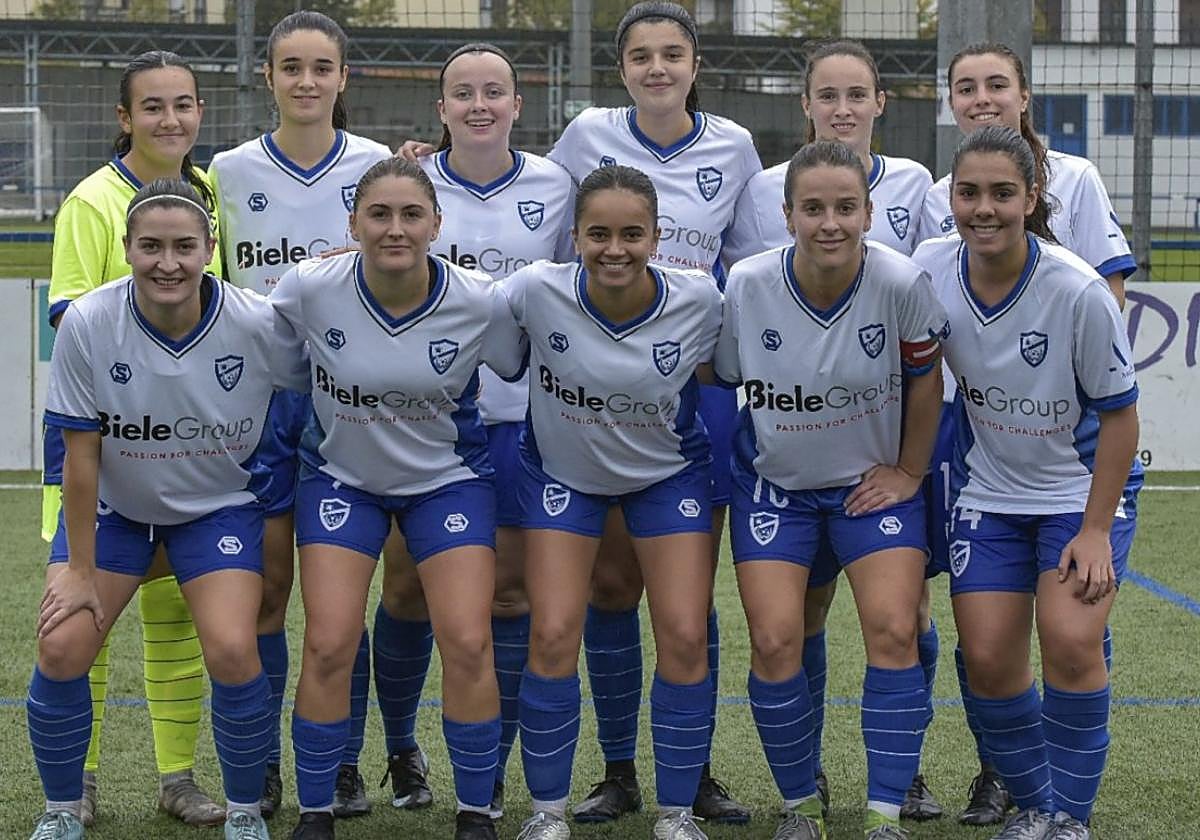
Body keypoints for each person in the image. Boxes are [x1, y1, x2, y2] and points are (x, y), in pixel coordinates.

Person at [30, 177, 306, 840]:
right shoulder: (89, 321)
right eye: (150, 246)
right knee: (61, 646)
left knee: (234, 648)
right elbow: (80, 455)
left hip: (216, 510)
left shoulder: (258, 322)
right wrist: (78, 570)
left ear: (210, 248)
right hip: (117, 513)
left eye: (184, 246)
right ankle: (63, 811)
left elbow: (317, 389)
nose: (168, 263)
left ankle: (245, 812)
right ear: (127, 249)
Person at [545, 2, 761, 822]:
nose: (658, 67)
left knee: (686, 597)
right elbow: (547, 230)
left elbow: (749, 263)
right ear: (623, 68)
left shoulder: (734, 146)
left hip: (693, 393)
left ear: (696, 65)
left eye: (673, 53)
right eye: (642, 55)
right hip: (599, 390)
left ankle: (692, 771)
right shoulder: (585, 136)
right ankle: (618, 771)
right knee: (610, 585)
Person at [269, 157, 525, 840]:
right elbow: (283, 368)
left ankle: (476, 813)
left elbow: (515, 362)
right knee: (328, 641)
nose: (395, 229)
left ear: (437, 224)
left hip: (447, 481)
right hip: (341, 480)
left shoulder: (480, 299)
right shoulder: (309, 288)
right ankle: (316, 812)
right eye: (378, 214)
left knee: (467, 639)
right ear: (352, 223)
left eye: (412, 215)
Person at [917, 43, 1137, 827]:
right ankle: (1038, 806)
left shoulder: (1077, 290)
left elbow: (1121, 417)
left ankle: (1070, 818)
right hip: (990, 492)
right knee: (987, 661)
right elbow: (913, 377)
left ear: (1032, 197)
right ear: (949, 199)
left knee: (1072, 645)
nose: (984, 209)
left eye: (1002, 194)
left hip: (1078, 492)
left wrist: (1096, 530)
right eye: (969, 193)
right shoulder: (930, 270)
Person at [722, 39, 941, 821]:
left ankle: (888, 812)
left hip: (867, 489)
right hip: (777, 489)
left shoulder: (901, 281)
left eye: (845, 208)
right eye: (812, 209)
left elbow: (926, 380)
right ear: (785, 215)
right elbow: (722, 379)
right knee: (778, 640)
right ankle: (799, 805)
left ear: (869, 213)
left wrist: (909, 472)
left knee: (896, 627)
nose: (829, 222)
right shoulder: (747, 284)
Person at [376, 42, 575, 820]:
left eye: (495, 91)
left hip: (520, 420)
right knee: (405, 589)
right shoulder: (412, 183)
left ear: (518, 105)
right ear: (442, 108)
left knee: (510, 596)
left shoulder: (556, 185)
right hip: (419, 420)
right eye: (464, 92)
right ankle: (401, 747)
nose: (480, 104)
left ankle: (488, 769)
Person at [208, 10, 392, 819]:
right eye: (292, 67)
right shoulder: (227, 170)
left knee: (335, 603)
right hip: (258, 405)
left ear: (344, 77)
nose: (307, 81)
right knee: (267, 591)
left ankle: (342, 763)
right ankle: (265, 766)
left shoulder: (379, 165)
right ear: (269, 77)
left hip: (349, 402)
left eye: (322, 67)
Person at [503, 164, 718, 840]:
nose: (615, 249)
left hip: (667, 476)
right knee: (552, 632)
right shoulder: (536, 289)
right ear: (575, 237)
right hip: (564, 477)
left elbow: (740, 365)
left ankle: (677, 813)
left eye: (632, 234)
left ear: (656, 237)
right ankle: (547, 813)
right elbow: (449, 292)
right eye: (598, 234)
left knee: (685, 632)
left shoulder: (700, 299)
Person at [41, 50, 225, 829]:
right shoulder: (92, 201)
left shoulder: (207, 192)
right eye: (152, 106)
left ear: (200, 112)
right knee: (85, 615)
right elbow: (70, 318)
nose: (169, 119)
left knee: (176, 615)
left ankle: (176, 778)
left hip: (187, 445)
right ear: (125, 118)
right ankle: (77, 783)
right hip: (100, 445)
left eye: (183, 104)